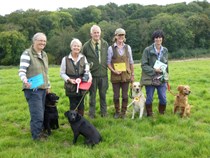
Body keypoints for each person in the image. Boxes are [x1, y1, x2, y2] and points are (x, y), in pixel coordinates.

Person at [18, 32, 51, 140]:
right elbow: (22, 70)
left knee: (41, 112)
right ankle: (37, 136)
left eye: (44, 41)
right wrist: (25, 80)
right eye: (40, 40)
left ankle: (39, 132)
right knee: (37, 114)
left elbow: (46, 72)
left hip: (42, 89)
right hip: (32, 89)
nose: (42, 43)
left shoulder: (44, 54)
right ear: (34, 41)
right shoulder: (27, 54)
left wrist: (48, 86)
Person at [81, 25, 109, 118]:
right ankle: (91, 114)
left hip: (104, 75)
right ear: (91, 34)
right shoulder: (86, 46)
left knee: (103, 95)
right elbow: (82, 59)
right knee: (92, 97)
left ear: (100, 33)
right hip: (92, 76)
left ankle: (104, 113)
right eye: (94, 32)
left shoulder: (105, 44)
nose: (96, 34)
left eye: (98, 32)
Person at [107, 28, 135, 119]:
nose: (121, 37)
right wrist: (113, 70)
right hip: (115, 76)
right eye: (119, 35)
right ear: (115, 36)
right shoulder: (111, 48)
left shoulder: (128, 47)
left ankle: (123, 112)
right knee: (116, 96)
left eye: (122, 35)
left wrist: (132, 74)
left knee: (125, 96)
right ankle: (117, 111)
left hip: (126, 75)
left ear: (124, 36)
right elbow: (108, 63)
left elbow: (131, 62)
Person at [60, 38, 92, 116]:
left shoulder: (83, 58)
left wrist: (89, 78)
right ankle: (73, 120)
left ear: (80, 48)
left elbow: (87, 70)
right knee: (73, 104)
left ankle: (81, 119)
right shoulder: (65, 59)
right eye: (75, 46)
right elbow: (62, 73)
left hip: (82, 84)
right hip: (70, 86)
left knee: (81, 104)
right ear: (71, 47)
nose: (76, 48)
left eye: (78, 46)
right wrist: (69, 79)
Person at [140, 30, 169, 116]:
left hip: (161, 78)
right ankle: (149, 115)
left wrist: (166, 77)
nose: (158, 39)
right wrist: (154, 70)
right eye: (156, 37)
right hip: (150, 78)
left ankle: (161, 114)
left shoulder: (165, 50)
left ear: (162, 39)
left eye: (160, 37)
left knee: (163, 98)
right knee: (149, 99)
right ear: (154, 39)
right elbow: (143, 65)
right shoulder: (147, 50)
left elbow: (166, 64)